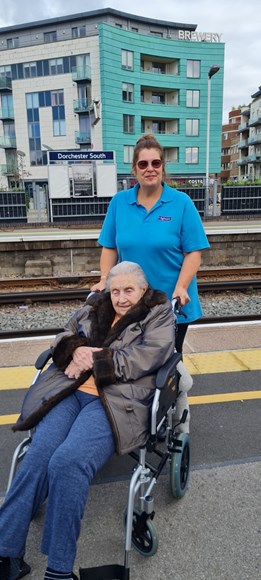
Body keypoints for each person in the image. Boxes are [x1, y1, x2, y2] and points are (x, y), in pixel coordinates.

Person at [0, 261, 175, 580]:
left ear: (143, 289)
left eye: (129, 290)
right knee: (38, 456)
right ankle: (6, 552)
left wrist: (95, 357)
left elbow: (150, 356)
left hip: (117, 399)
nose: (121, 298)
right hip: (70, 389)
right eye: (115, 290)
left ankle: (59, 569)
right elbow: (64, 337)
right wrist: (73, 350)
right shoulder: (95, 305)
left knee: (67, 462)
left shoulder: (158, 311)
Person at [92, 134, 209, 436]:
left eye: (155, 162)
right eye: (143, 163)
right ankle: (137, 416)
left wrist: (182, 287)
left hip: (171, 304)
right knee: (132, 359)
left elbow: (193, 252)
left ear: (162, 167)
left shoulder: (181, 203)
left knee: (165, 365)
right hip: (131, 303)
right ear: (134, 170)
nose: (150, 168)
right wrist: (106, 280)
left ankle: (177, 413)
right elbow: (108, 248)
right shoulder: (120, 203)